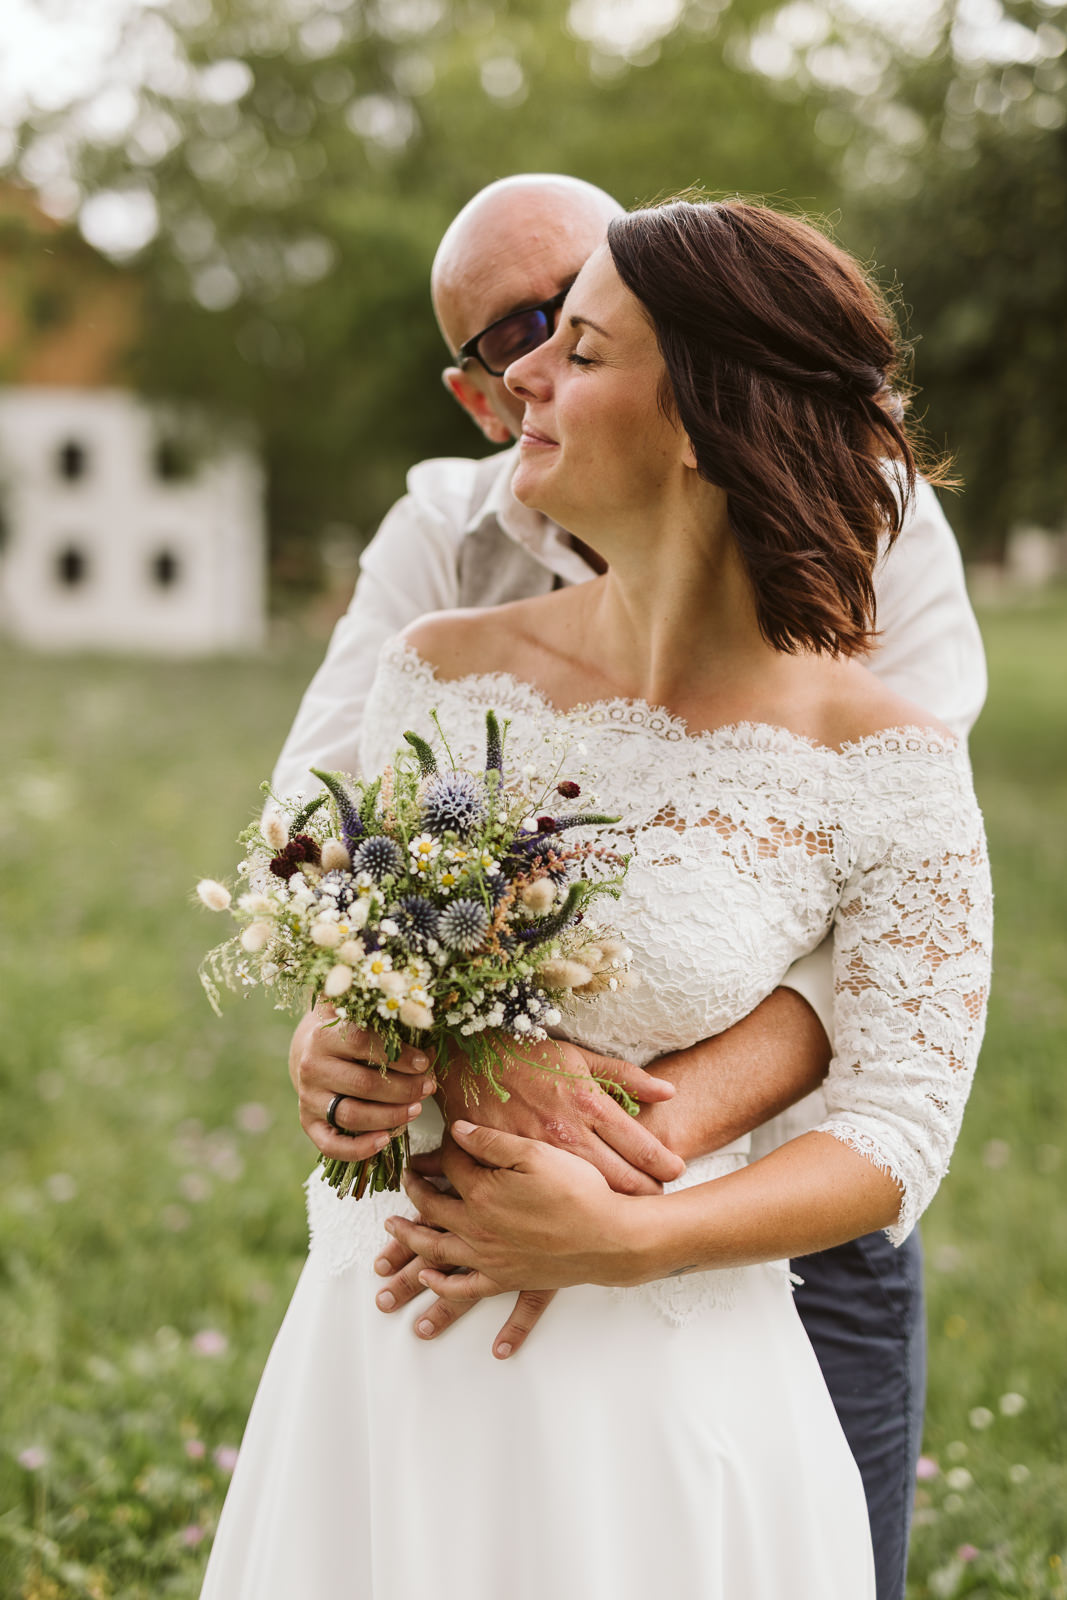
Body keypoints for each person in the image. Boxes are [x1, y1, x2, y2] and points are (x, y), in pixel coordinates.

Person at [201, 197, 992, 1599]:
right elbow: (360, 880)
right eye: (518, 341)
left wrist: (626, 1205)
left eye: (580, 327)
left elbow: (888, 1035)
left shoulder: (882, 683)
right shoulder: (452, 661)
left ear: (706, 397)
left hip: (725, 1251)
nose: (533, 379)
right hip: (421, 1285)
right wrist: (364, 1033)